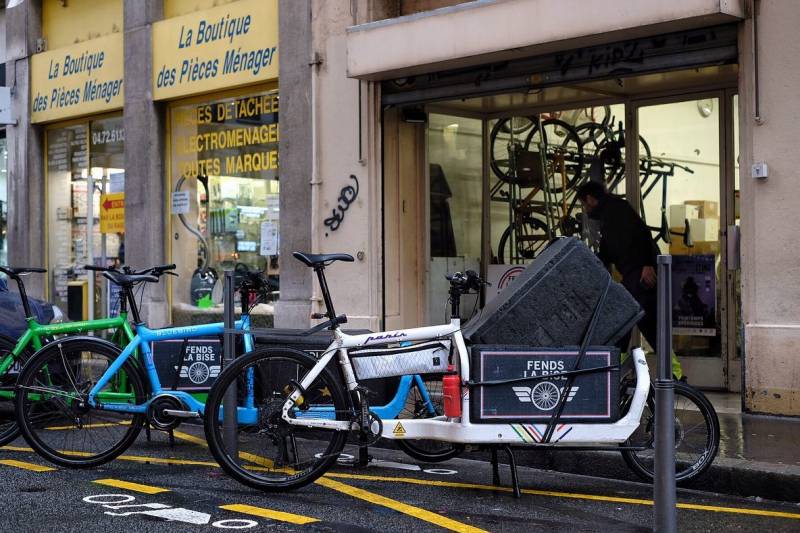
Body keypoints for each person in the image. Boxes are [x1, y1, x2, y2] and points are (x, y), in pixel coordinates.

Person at [576, 180, 684, 381]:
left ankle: (671, 374)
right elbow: (609, 250)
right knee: (633, 324)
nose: (585, 208)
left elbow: (642, 235)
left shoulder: (617, 209)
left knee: (632, 323)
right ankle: (623, 372)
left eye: (584, 204)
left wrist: (646, 264)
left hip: (640, 274)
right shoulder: (609, 215)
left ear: (590, 199)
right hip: (633, 275)